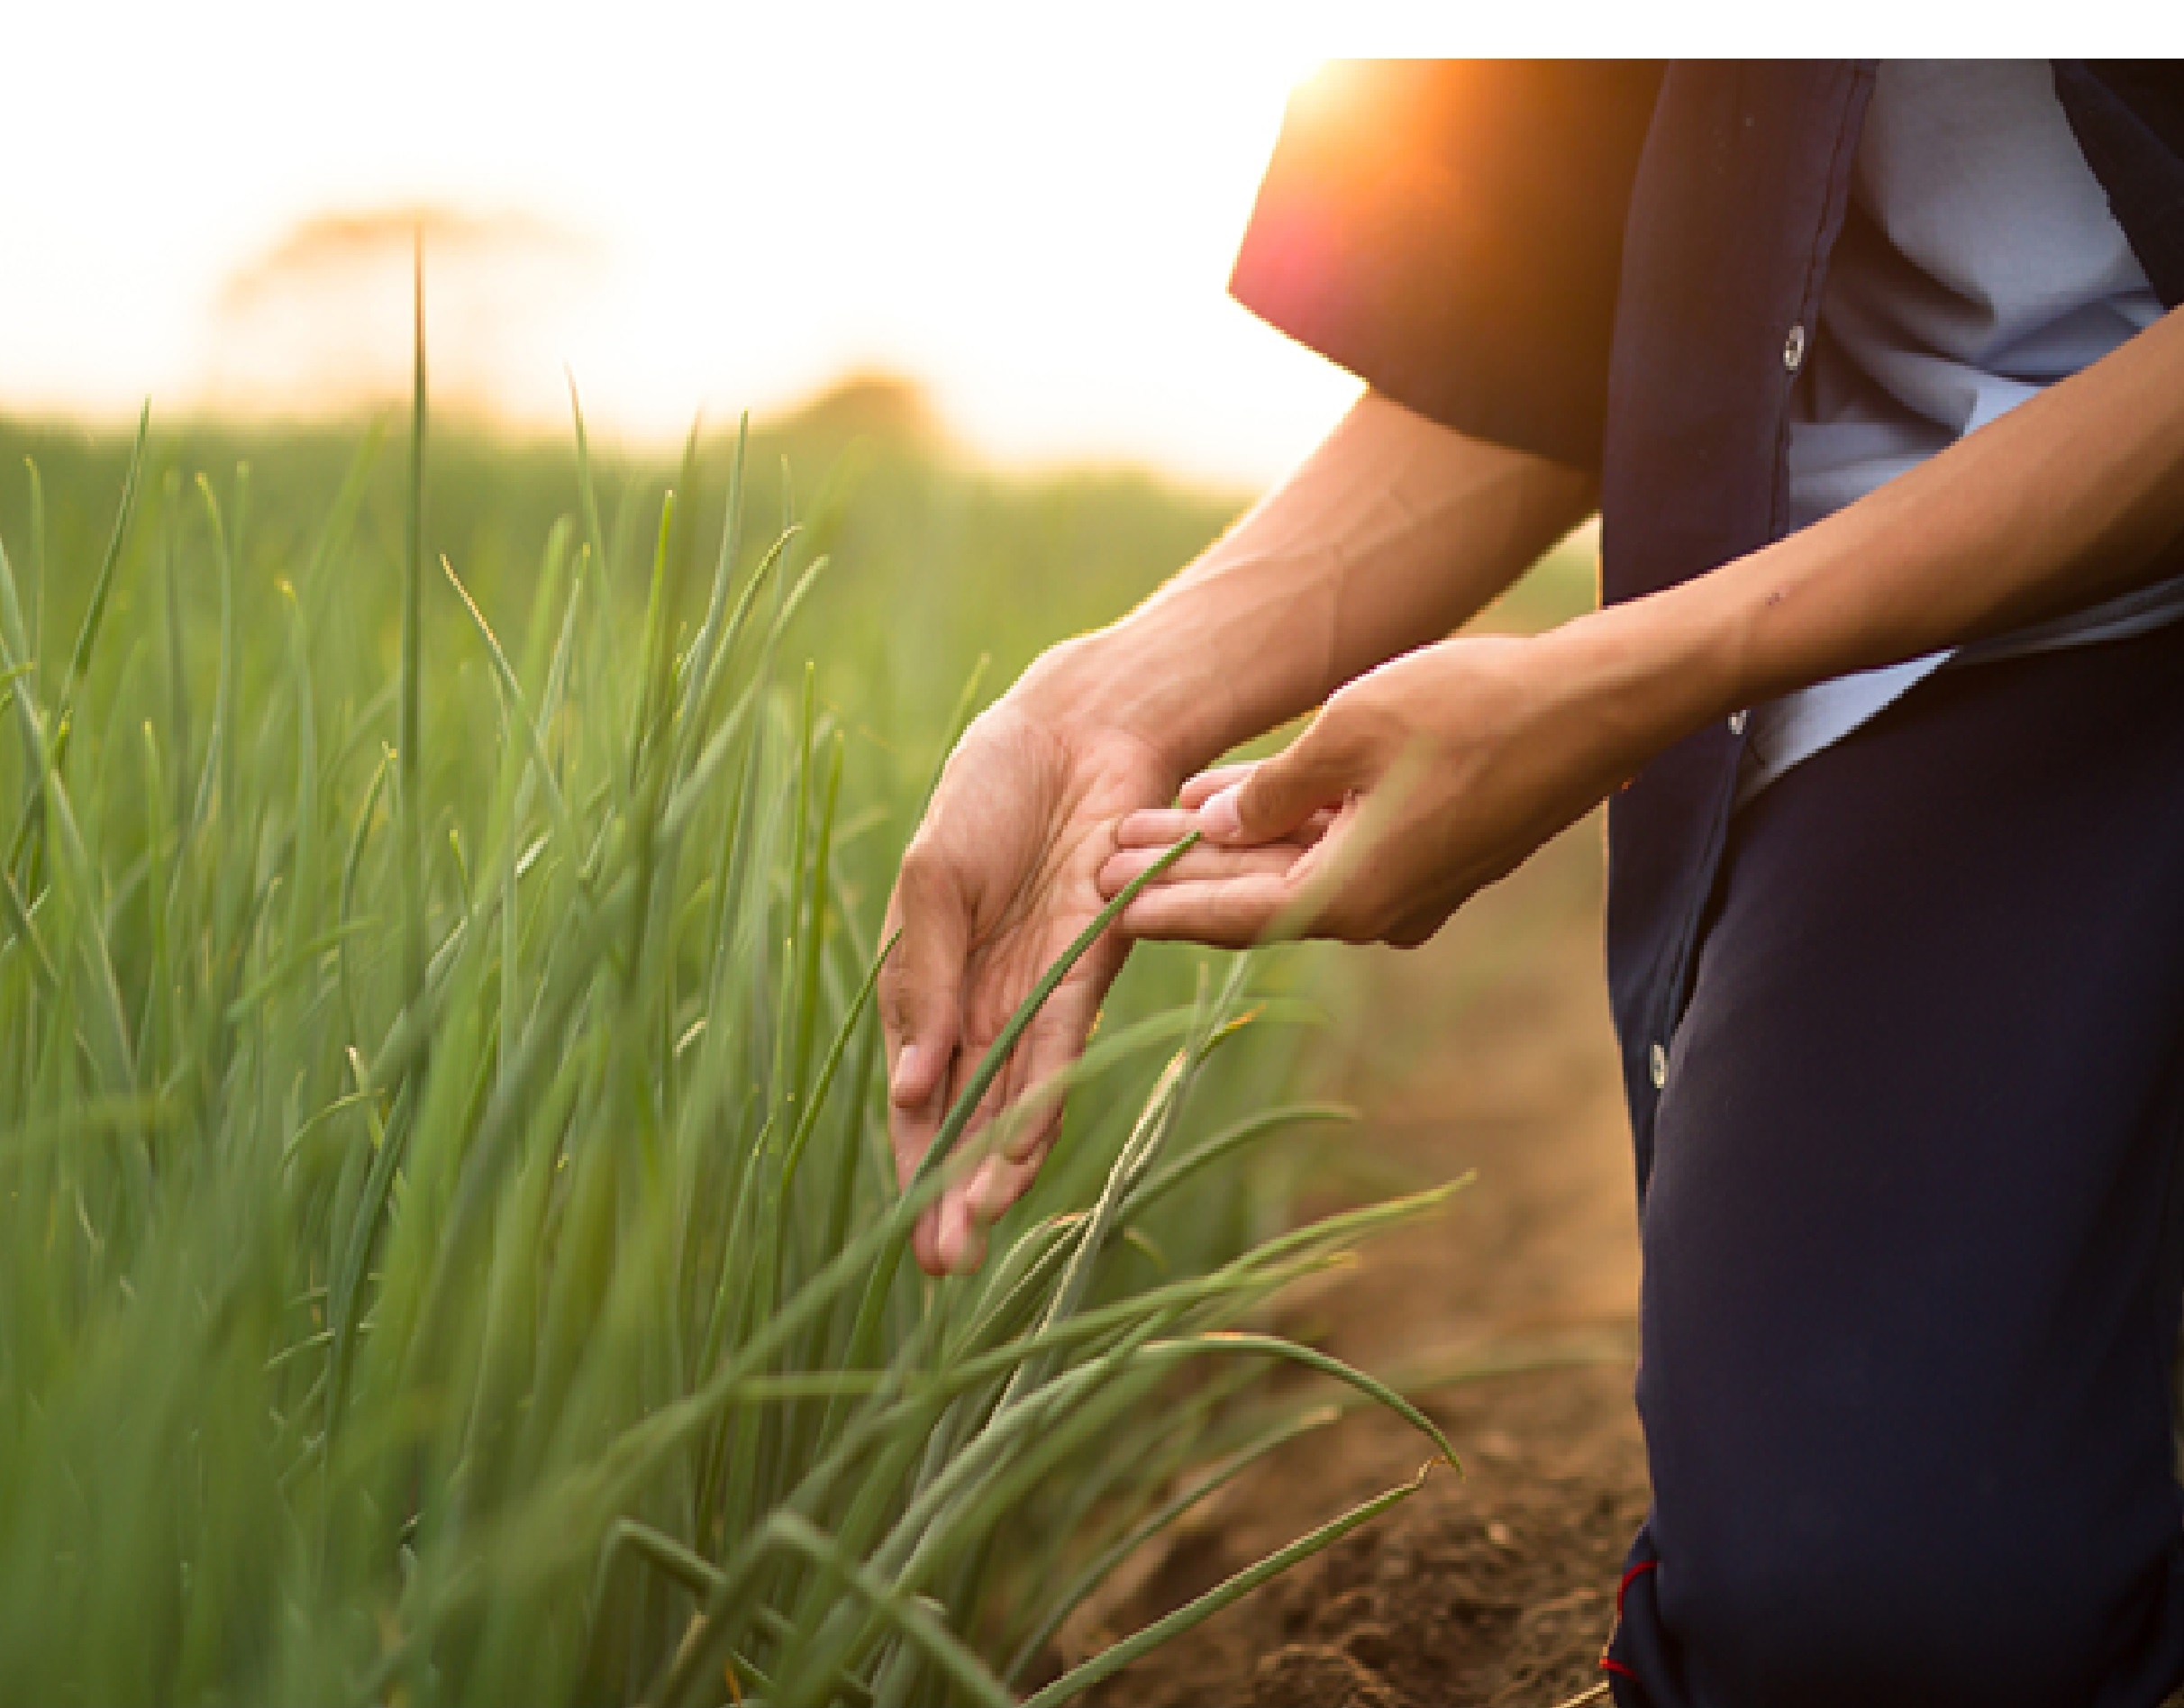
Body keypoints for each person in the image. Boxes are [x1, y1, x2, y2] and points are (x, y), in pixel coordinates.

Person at [880, 60, 2184, 1705]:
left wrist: (1627, 677)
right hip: (1960, 635)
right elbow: (1541, 307)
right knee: (1871, 1609)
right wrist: (1107, 706)